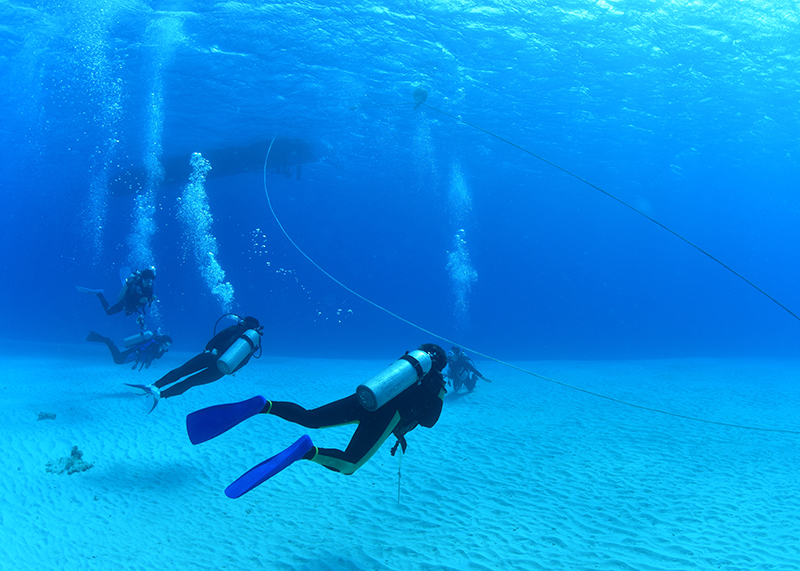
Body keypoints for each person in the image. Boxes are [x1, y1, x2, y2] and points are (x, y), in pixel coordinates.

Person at [185, 343, 448, 498]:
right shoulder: (434, 383)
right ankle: (308, 452)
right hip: (389, 415)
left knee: (311, 418)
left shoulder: (407, 366)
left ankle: (265, 405)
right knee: (349, 464)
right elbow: (428, 421)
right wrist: (437, 395)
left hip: (366, 398)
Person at [127, 315, 262, 412]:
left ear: (244, 321)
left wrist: (208, 350)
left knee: (182, 371)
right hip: (221, 368)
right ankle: (161, 395)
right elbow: (242, 363)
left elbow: (216, 338)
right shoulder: (252, 344)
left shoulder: (236, 328)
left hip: (210, 356)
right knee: (189, 383)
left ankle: (154, 386)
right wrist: (228, 368)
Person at [77, 268, 156, 327]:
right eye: (147, 281)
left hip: (135, 305)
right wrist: (138, 299)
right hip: (127, 302)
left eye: (150, 281)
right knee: (108, 312)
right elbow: (125, 298)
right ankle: (99, 294)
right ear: (142, 279)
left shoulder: (150, 286)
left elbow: (148, 297)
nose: (148, 283)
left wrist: (150, 299)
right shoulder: (134, 285)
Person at [87, 330, 172, 371]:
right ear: (163, 342)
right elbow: (156, 356)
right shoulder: (156, 346)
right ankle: (108, 341)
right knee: (118, 360)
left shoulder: (155, 344)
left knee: (118, 358)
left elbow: (151, 356)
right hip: (133, 353)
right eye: (166, 344)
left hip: (133, 352)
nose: (166, 347)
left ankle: (108, 342)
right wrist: (164, 351)